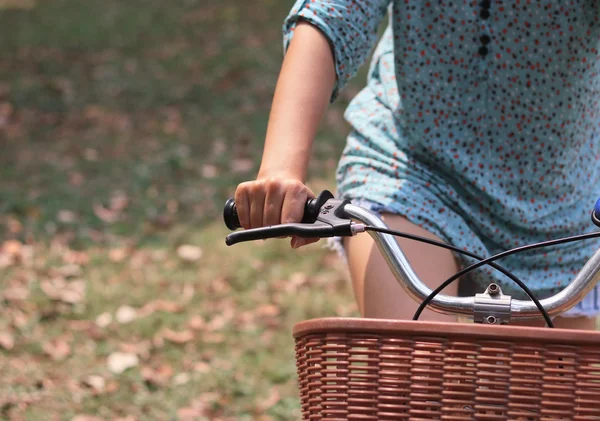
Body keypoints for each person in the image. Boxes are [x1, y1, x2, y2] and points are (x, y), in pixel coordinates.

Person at [234, 1, 600, 329]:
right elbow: (332, 15)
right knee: (415, 378)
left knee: (533, 402)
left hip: (555, 204)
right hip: (411, 172)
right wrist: (280, 168)